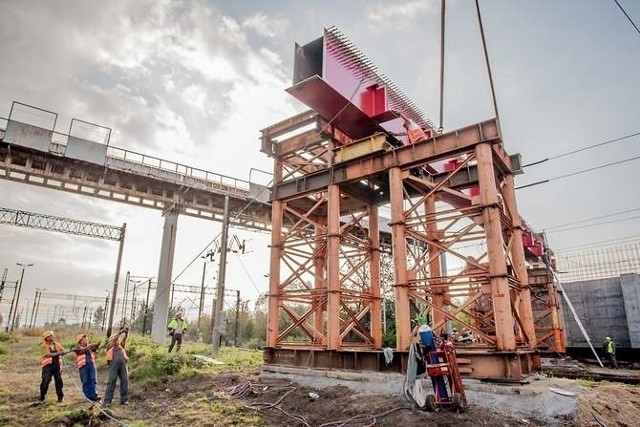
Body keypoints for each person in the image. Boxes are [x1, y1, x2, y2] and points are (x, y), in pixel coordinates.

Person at [103, 328, 129, 408]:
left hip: (123, 365)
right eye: (117, 339)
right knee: (111, 382)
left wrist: (126, 333)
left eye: (118, 339)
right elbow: (114, 338)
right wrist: (120, 332)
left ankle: (124, 400)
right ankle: (107, 401)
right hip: (113, 364)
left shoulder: (121, 346)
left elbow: (124, 339)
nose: (118, 340)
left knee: (125, 380)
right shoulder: (110, 346)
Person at [39, 330, 67, 403]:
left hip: (57, 365)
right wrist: (59, 353)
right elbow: (48, 355)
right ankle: (42, 396)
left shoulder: (57, 344)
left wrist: (64, 352)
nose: (52, 337)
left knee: (59, 381)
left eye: (52, 335)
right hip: (47, 366)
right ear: (47, 338)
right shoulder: (43, 346)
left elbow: (63, 351)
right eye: (51, 336)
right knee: (46, 380)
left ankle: (60, 398)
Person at [73, 334, 101, 401]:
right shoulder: (77, 347)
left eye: (86, 339)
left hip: (91, 364)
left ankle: (94, 395)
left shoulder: (90, 347)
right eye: (84, 339)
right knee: (85, 381)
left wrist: (97, 345)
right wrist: (89, 347)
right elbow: (80, 351)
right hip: (83, 366)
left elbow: (95, 349)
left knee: (93, 380)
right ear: (80, 341)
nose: (86, 340)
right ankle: (88, 396)